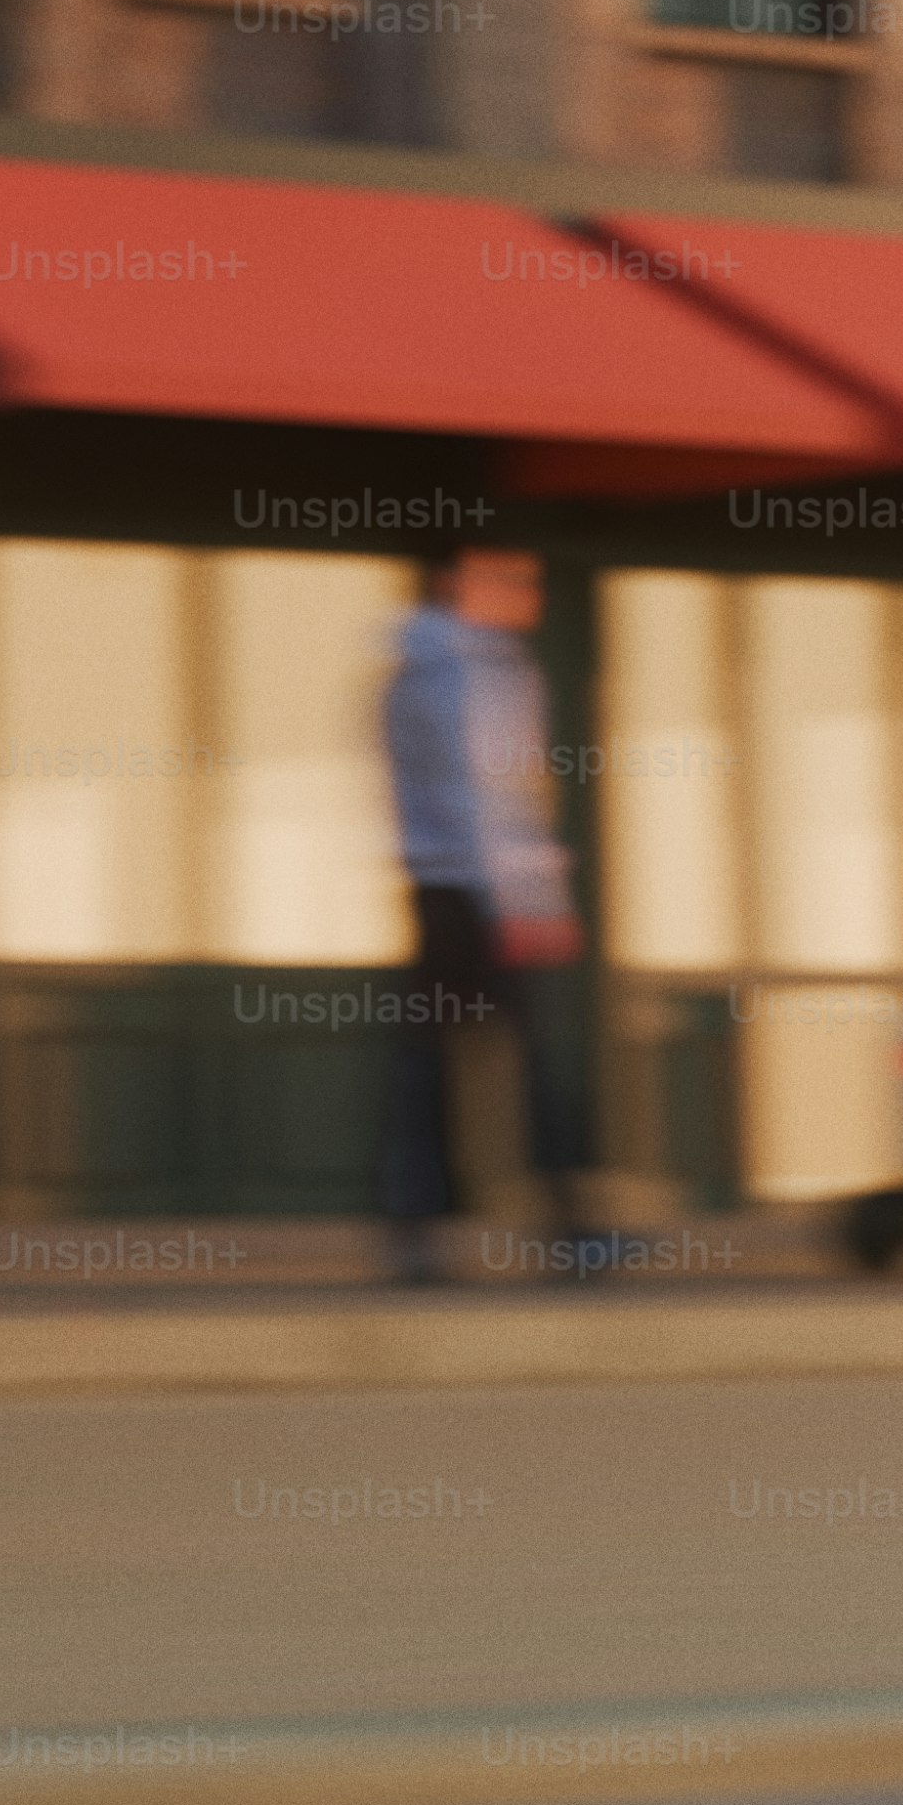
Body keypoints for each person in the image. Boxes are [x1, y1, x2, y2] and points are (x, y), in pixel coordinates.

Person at [377, 543, 603, 1286]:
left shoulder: (407, 671)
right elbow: (489, 792)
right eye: (505, 577)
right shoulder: (474, 671)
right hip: (481, 893)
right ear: (457, 584)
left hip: (436, 885)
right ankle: (572, 1228)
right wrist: (528, 900)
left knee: (430, 1062)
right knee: (530, 1062)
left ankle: (417, 1228)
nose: (524, 591)